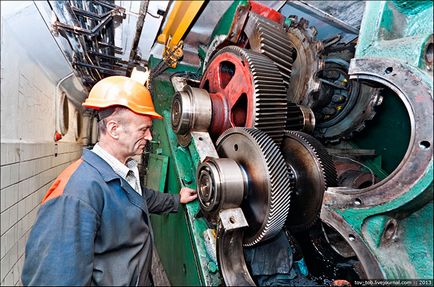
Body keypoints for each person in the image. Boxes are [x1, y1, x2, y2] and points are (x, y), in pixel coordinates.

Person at [21, 75, 197, 286]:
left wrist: (176, 199)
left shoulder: (120, 173)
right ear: (114, 129)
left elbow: (140, 199)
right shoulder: (76, 194)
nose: (150, 137)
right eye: (143, 129)